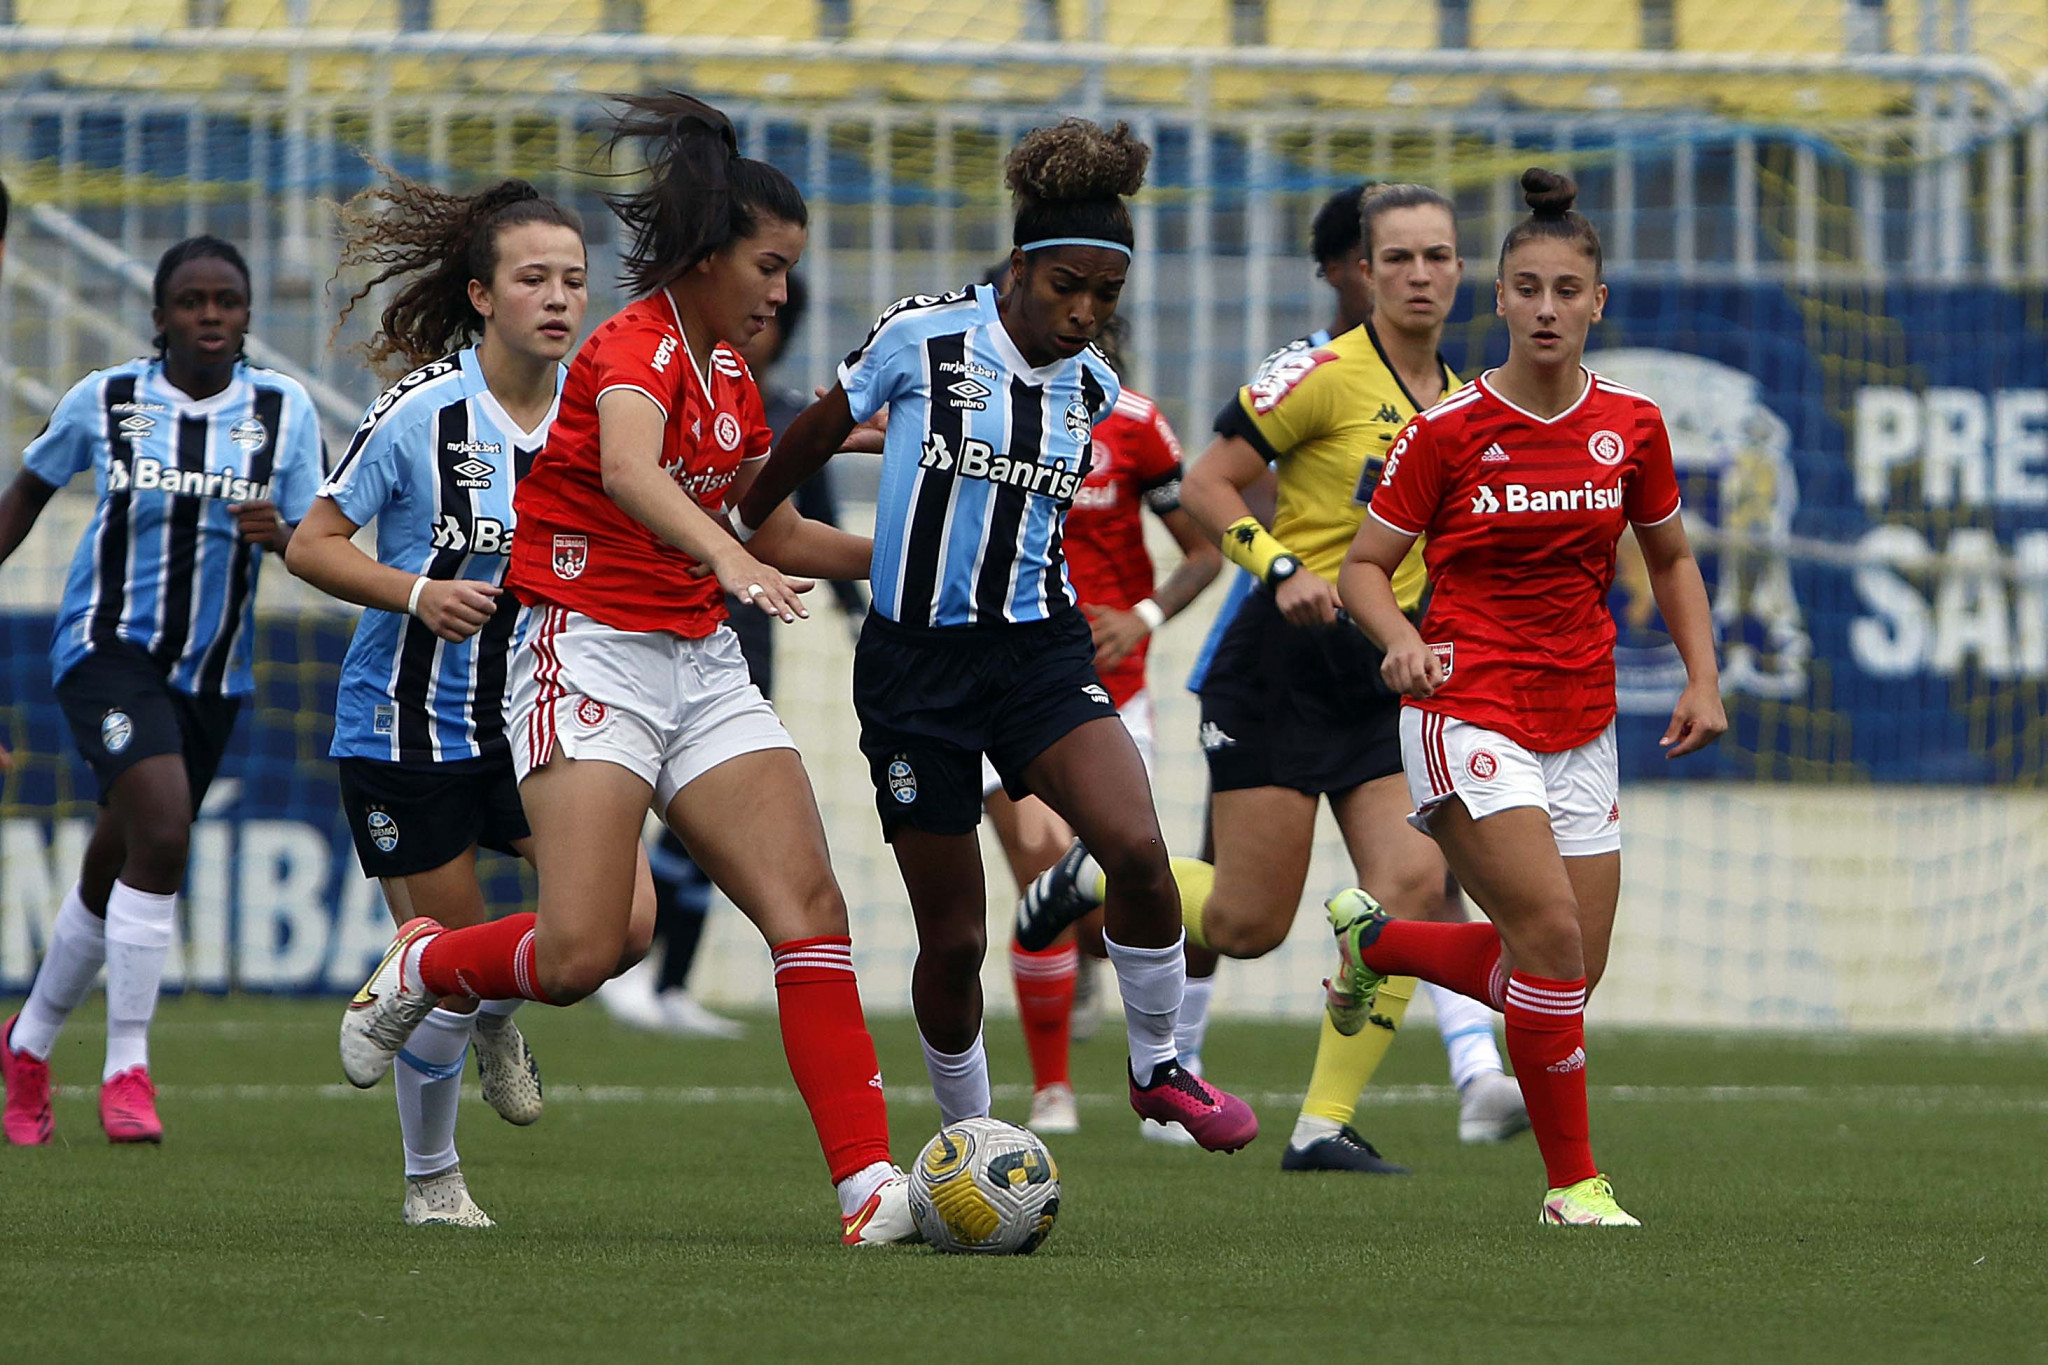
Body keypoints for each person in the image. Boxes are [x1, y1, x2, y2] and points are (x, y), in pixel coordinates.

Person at [337, 91, 920, 1246]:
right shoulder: (632, 347)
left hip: (696, 663)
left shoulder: (730, 377)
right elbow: (629, 475)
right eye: (767, 265)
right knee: (577, 955)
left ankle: (866, 1193)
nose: (780, 292)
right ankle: (423, 968)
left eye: (789, 269)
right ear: (708, 258)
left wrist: (922, 567)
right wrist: (727, 557)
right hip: (583, 651)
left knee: (810, 911)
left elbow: (776, 528)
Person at [738, 118, 1257, 1153]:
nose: (1083, 312)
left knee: (1139, 857)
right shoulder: (917, 339)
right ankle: (969, 1137)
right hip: (912, 671)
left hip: (1037, 654)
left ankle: (1158, 1068)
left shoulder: (1097, 389)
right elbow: (813, 431)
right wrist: (755, 531)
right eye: (1066, 285)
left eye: (1104, 296)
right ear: (1018, 267)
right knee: (956, 935)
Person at [1017, 182, 1528, 1174]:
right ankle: (1087, 875)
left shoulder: (1466, 401)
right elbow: (1208, 484)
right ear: (1362, 274)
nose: (1419, 275)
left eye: (1437, 257)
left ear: (1463, 274)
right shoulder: (1321, 375)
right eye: (1398, 259)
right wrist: (1281, 568)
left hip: (1382, 669)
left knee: (1411, 887)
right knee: (1249, 923)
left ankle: (1319, 1126)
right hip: (1280, 666)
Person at [1331, 168, 1725, 1226]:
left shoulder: (1631, 427)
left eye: (1565, 290)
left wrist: (1700, 674)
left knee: (1559, 974)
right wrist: (1400, 640)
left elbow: (1671, 556)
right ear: (1495, 299)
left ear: (1597, 302)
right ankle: (1571, 1187)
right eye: (1525, 288)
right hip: (1463, 706)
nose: (1545, 308)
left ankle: (1377, 944)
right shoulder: (1446, 430)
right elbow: (1363, 567)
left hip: (1578, 716)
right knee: (1545, 941)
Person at [289, 169, 633, 1226]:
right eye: (534, 278)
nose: (561, 298)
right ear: (482, 296)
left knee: (626, 922)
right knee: (447, 965)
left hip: (538, 724)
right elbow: (311, 544)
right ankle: (431, 1181)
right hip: (406, 727)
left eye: (575, 279)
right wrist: (420, 592)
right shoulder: (421, 416)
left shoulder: (602, 419)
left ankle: (487, 1006)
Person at [0, 236, 324, 1145]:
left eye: (227, 299)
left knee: (121, 854)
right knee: (168, 830)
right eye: (191, 301)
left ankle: (25, 1044)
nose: (210, 315)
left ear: (250, 313)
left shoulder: (286, 410)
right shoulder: (104, 399)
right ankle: (127, 1065)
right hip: (107, 649)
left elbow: (315, 535)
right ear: (161, 314)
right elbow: (27, 491)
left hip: (214, 674)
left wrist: (284, 533)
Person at [597, 271, 866, 1039]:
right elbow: (625, 475)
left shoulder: (776, 412)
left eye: (787, 298)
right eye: (764, 274)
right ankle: (621, 954)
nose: (770, 310)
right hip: (641, 627)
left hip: (743, 629)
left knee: (721, 819)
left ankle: (670, 980)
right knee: (655, 811)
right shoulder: (651, 375)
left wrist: (864, 603)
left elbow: (804, 522)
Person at [994, 311, 1220, 1139]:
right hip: (1002, 683)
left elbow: (1202, 549)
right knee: (1039, 858)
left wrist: (1146, 613)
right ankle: (1052, 1088)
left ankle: (1152, 1050)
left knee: (1105, 902)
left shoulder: (1137, 426)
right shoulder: (984, 415)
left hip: (1110, 694)